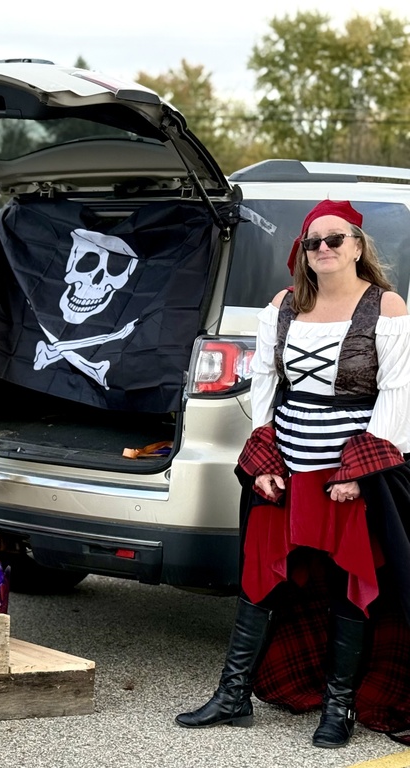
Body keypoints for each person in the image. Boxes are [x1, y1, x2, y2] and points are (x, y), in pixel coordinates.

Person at [176, 200, 410, 748]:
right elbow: (265, 383)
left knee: (351, 583)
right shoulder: (284, 305)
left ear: (357, 246)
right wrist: (266, 457)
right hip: (286, 466)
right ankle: (233, 696)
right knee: (261, 577)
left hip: (349, 470)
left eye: (335, 239)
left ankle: (339, 708)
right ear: (302, 252)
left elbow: (398, 395)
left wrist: (358, 469)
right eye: (313, 241)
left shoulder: (387, 306)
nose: (323, 249)